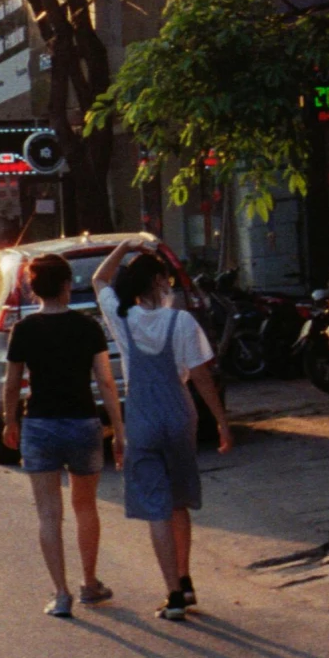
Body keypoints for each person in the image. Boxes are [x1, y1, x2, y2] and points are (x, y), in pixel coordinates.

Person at [91, 240, 233, 622]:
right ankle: (186, 581)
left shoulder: (123, 318)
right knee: (178, 502)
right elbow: (200, 376)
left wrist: (124, 245)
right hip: (179, 413)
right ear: (158, 280)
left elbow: (98, 278)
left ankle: (172, 594)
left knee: (156, 507)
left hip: (143, 416)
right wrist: (220, 420)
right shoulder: (181, 321)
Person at [2, 252, 124, 619]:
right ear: (67, 285)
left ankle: (60, 593)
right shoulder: (88, 327)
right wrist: (118, 429)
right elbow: (105, 381)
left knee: (48, 514)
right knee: (85, 506)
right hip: (83, 423)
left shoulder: (23, 329)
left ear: (35, 288)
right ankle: (89, 583)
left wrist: (10, 421)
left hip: (39, 424)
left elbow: (12, 383)